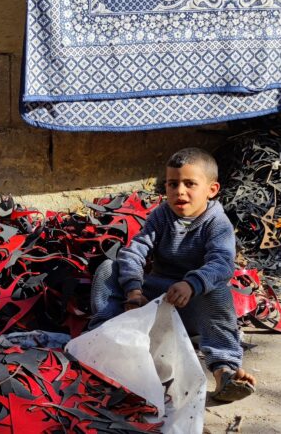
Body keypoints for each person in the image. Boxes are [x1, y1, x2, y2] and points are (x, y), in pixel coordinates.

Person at [88, 147, 257, 403]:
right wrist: (134, 290)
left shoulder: (218, 223)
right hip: (157, 299)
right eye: (172, 184)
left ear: (211, 190)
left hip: (192, 304)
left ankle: (224, 371)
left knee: (219, 288)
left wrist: (192, 284)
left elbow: (222, 263)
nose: (179, 191)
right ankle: (104, 340)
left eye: (190, 184)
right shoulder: (161, 215)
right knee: (108, 268)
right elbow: (135, 252)